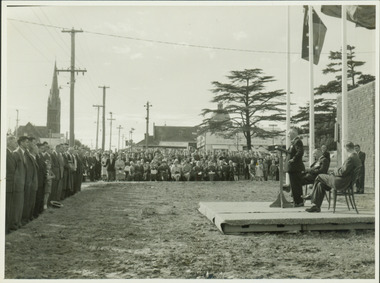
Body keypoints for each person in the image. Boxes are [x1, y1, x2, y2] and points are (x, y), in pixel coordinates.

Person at [304, 142, 361, 213]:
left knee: (319, 176)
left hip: (340, 182)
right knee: (320, 184)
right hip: (345, 182)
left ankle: (312, 195)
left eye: (345, 149)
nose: (345, 151)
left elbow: (342, 172)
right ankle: (316, 207)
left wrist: (335, 170)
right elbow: (345, 171)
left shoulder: (351, 158)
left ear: (347, 148)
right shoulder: (356, 157)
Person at [284, 128, 305, 207]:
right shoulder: (294, 142)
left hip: (295, 167)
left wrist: (293, 159)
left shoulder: (297, 141)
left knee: (296, 185)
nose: (288, 136)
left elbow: (300, 152)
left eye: (289, 134)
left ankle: (299, 201)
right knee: (293, 185)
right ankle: (296, 200)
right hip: (292, 168)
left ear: (293, 134)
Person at [6, 135, 18, 233]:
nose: (16, 144)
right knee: (6, 207)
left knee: (10, 207)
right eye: (14, 142)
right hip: (7, 185)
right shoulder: (5, 154)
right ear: (9, 142)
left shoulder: (11, 154)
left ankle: (8, 226)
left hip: (12, 185)